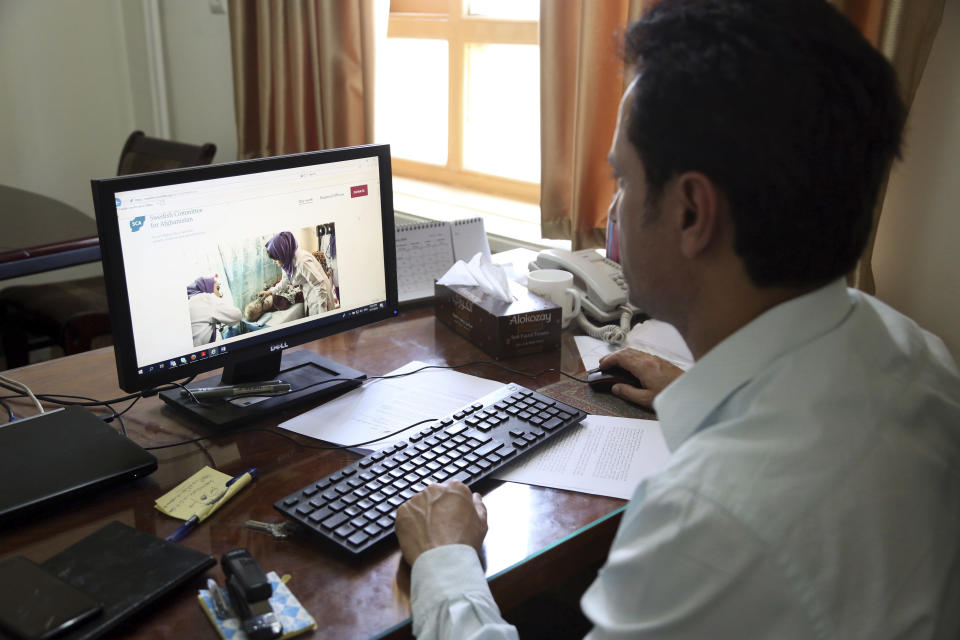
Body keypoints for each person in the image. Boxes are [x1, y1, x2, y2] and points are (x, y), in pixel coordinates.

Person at [394, 1, 960, 638]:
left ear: (692, 213)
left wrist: (445, 562)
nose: (613, 208)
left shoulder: (708, 522)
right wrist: (700, 393)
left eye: (622, 179)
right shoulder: (919, 358)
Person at [262, 231, 333, 316]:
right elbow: (285, 281)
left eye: (275, 259)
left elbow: (319, 285)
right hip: (309, 289)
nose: (274, 262)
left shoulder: (302, 261)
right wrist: (270, 292)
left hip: (319, 293)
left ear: (282, 254)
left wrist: (323, 313)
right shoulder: (286, 261)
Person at [187, 276, 241, 347]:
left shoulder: (190, 300)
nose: (220, 295)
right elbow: (237, 315)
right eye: (217, 289)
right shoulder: (204, 298)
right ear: (207, 287)